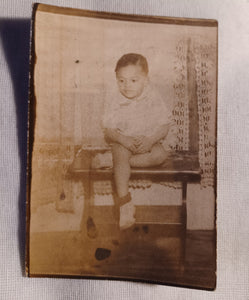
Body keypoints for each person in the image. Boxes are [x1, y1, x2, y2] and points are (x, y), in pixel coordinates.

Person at [102, 53, 171, 230]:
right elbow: (109, 131)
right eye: (121, 80)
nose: (126, 86)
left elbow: (164, 125)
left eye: (133, 80)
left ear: (145, 80)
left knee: (160, 156)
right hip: (123, 142)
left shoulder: (153, 97)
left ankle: (113, 162)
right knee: (119, 152)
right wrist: (123, 139)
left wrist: (150, 140)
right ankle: (125, 203)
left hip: (146, 141)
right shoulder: (114, 98)